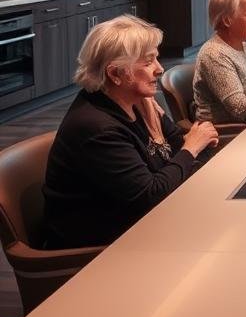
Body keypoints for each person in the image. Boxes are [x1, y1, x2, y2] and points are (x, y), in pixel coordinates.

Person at [43, 15, 219, 248]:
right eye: (148, 62)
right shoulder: (96, 128)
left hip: (146, 225)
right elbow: (151, 196)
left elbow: (181, 151)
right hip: (103, 251)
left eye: (156, 58)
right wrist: (192, 148)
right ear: (115, 74)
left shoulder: (139, 103)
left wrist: (192, 150)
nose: (159, 69)